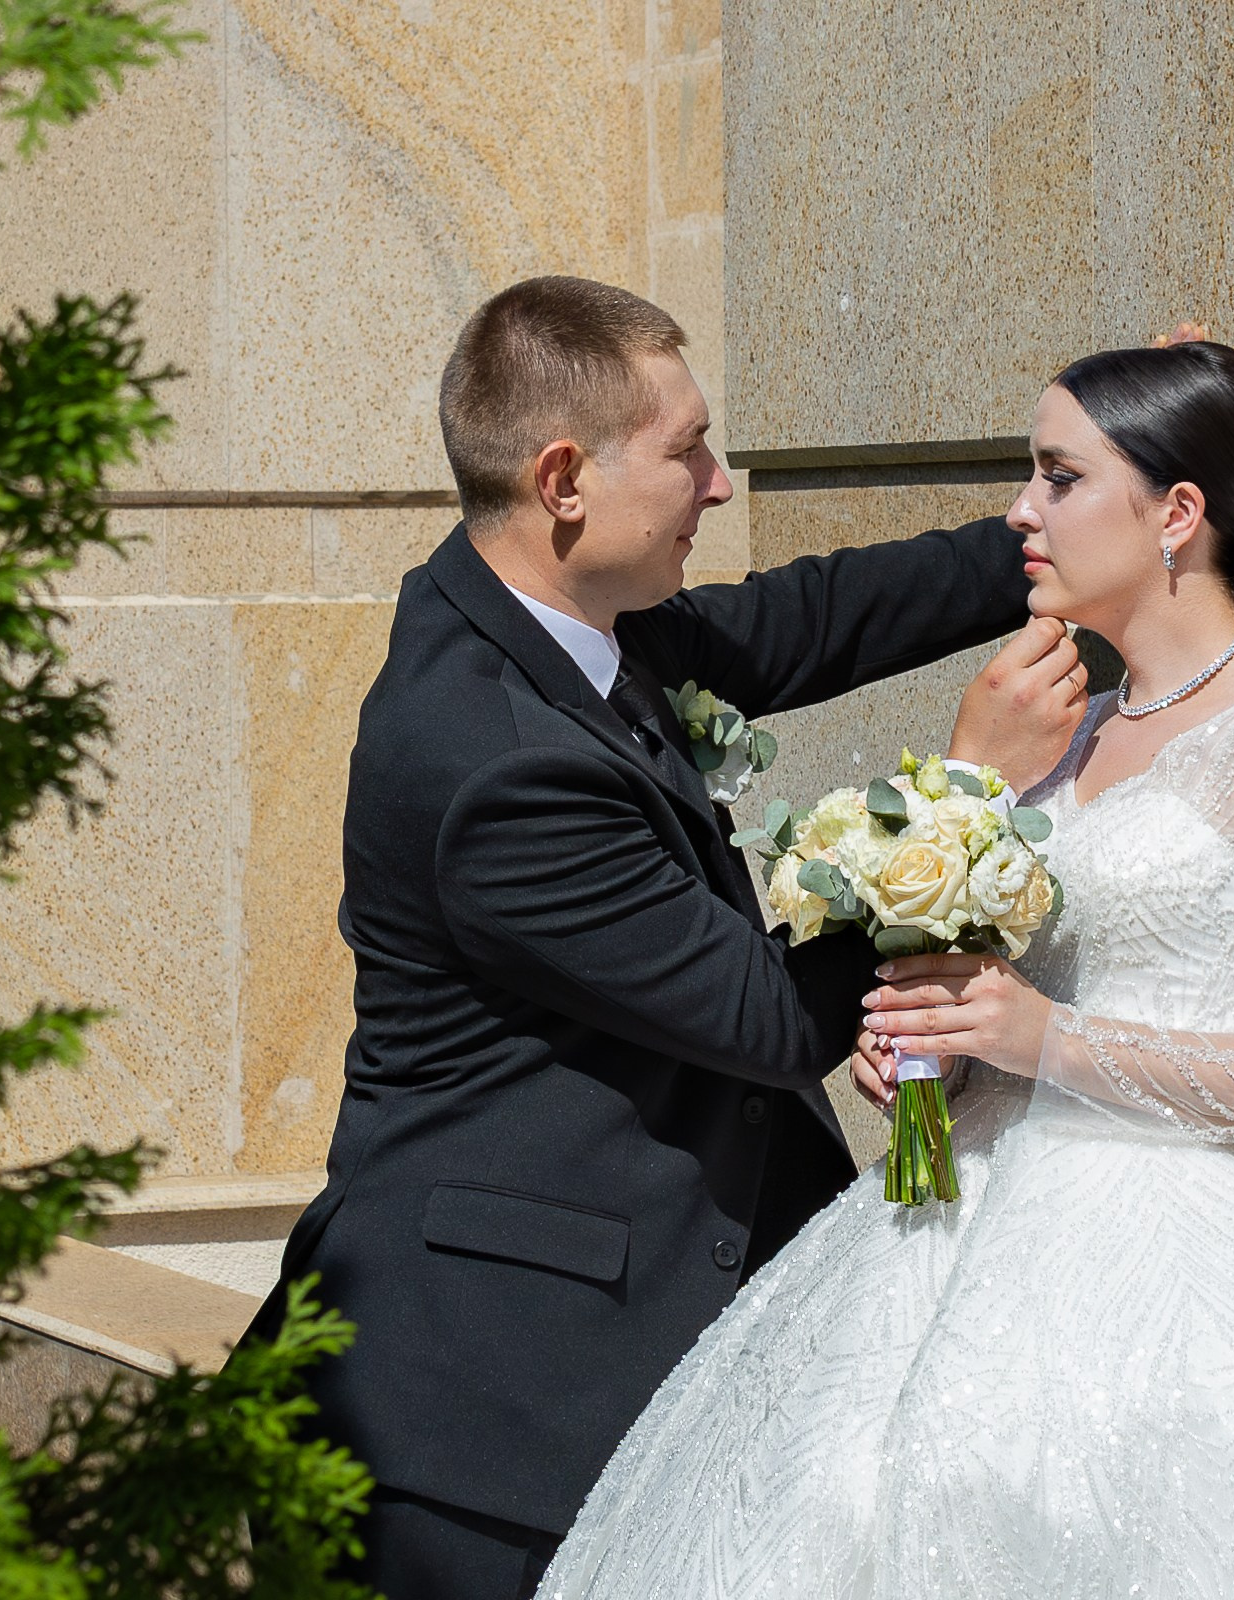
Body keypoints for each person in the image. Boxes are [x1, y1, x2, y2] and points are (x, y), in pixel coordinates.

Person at [535, 341, 1234, 1598]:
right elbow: (1005, 1000)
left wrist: (1044, 1039)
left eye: (1056, 478)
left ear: (1178, 514)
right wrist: (925, 1049)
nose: (1018, 514)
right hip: (940, 1233)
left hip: (1186, 1285)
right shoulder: (1069, 731)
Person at [245, 275, 1087, 1600]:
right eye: (689, 449)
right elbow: (768, 1019)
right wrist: (964, 789)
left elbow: (806, 619)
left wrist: (1049, 531)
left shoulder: (563, 626)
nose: (718, 484)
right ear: (566, 478)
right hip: (482, 1420)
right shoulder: (492, 763)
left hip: (567, 1363)